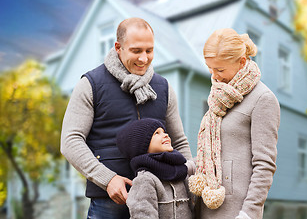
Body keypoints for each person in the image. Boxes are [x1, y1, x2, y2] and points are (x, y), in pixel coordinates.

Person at [60, 17, 193, 219]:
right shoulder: (91, 84)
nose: (144, 58)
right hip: (109, 203)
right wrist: (108, 179)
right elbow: (70, 141)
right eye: (136, 51)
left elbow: (179, 141)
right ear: (118, 47)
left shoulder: (163, 87)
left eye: (149, 50)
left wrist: (190, 183)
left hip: (160, 201)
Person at [188, 28, 280, 219]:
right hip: (206, 204)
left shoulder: (263, 99)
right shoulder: (220, 96)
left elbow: (264, 164)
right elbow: (211, 153)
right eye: (210, 68)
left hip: (236, 211)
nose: (214, 76)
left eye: (220, 69)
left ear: (242, 62)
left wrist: (249, 213)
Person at [116, 118, 194, 219]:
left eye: (164, 131)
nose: (165, 135)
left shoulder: (181, 172)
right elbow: (142, 215)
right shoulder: (145, 180)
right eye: (157, 133)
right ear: (142, 145)